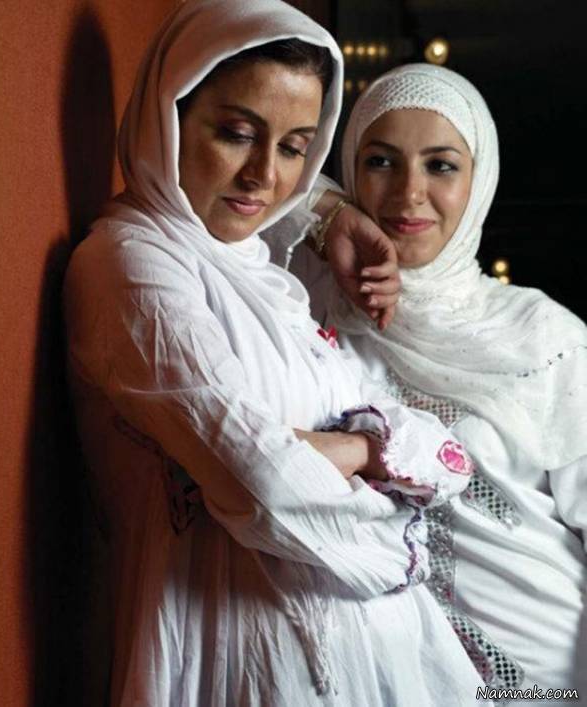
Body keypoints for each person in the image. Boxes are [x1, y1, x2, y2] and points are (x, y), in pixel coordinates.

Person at [64, 4, 490, 706]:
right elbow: (267, 482)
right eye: (236, 134)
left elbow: (446, 456)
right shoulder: (131, 265)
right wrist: (381, 471)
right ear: (169, 117)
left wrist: (354, 447)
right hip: (241, 663)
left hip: (381, 664)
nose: (264, 175)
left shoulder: (265, 276)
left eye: (294, 147)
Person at [282, 63, 587, 704]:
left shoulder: (543, 338)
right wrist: (332, 216)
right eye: (380, 162)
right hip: (384, 679)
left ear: (479, 180)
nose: (409, 193)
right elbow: (227, 183)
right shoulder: (309, 312)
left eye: (441, 165)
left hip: (547, 677)